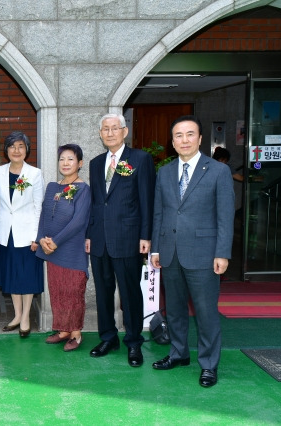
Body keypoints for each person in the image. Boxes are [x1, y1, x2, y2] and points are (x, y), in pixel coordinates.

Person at [151, 115, 234, 388]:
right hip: (170, 252)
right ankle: (178, 353)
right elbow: (159, 213)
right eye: (178, 135)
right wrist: (155, 248)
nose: (184, 140)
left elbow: (225, 217)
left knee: (206, 312)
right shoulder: (164, 172)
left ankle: (209, 364)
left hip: (204, 254)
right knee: (174, 310)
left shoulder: (218, 171)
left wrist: (222, 253)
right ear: (172, 141)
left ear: (199, 139)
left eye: (189, 134)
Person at [85, 113, 155, 367]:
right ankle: (108, 337)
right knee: (103, 292)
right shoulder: (95, 163)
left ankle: (134, 341)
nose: (110, 133)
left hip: (128, 238)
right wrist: (90, 235)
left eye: (115, 128)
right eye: (105, 129)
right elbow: (95, 204)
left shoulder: (140, 159)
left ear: (125, 131)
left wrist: (146, 236)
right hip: (100, 240)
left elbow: (147, 200)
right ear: (100, 134)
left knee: (129, 293)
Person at [0, 131, 44, 338]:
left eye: (21, 146)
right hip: (6, 233)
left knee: (27, 275)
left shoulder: (35, 174)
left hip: (27, 233)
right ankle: (17, 315)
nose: (16, 150)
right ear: (6, 150)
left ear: (27, 149)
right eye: (12, 146)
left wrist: (36, 236)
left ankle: (26, 317)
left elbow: (39, 206)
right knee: (12, 275)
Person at [36, 144, 91, 351]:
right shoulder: (52, 187)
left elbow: (78, 222)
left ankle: (75, 332)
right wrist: (41, 239)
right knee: (57, 290)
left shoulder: (83, 189)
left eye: (70, 159)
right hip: (51, 250)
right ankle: (63, 330)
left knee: (73, 291)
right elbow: (43, 215)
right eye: (62, 159)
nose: (65, 163)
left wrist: (55, 241)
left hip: (71, 250)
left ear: (80, 163)